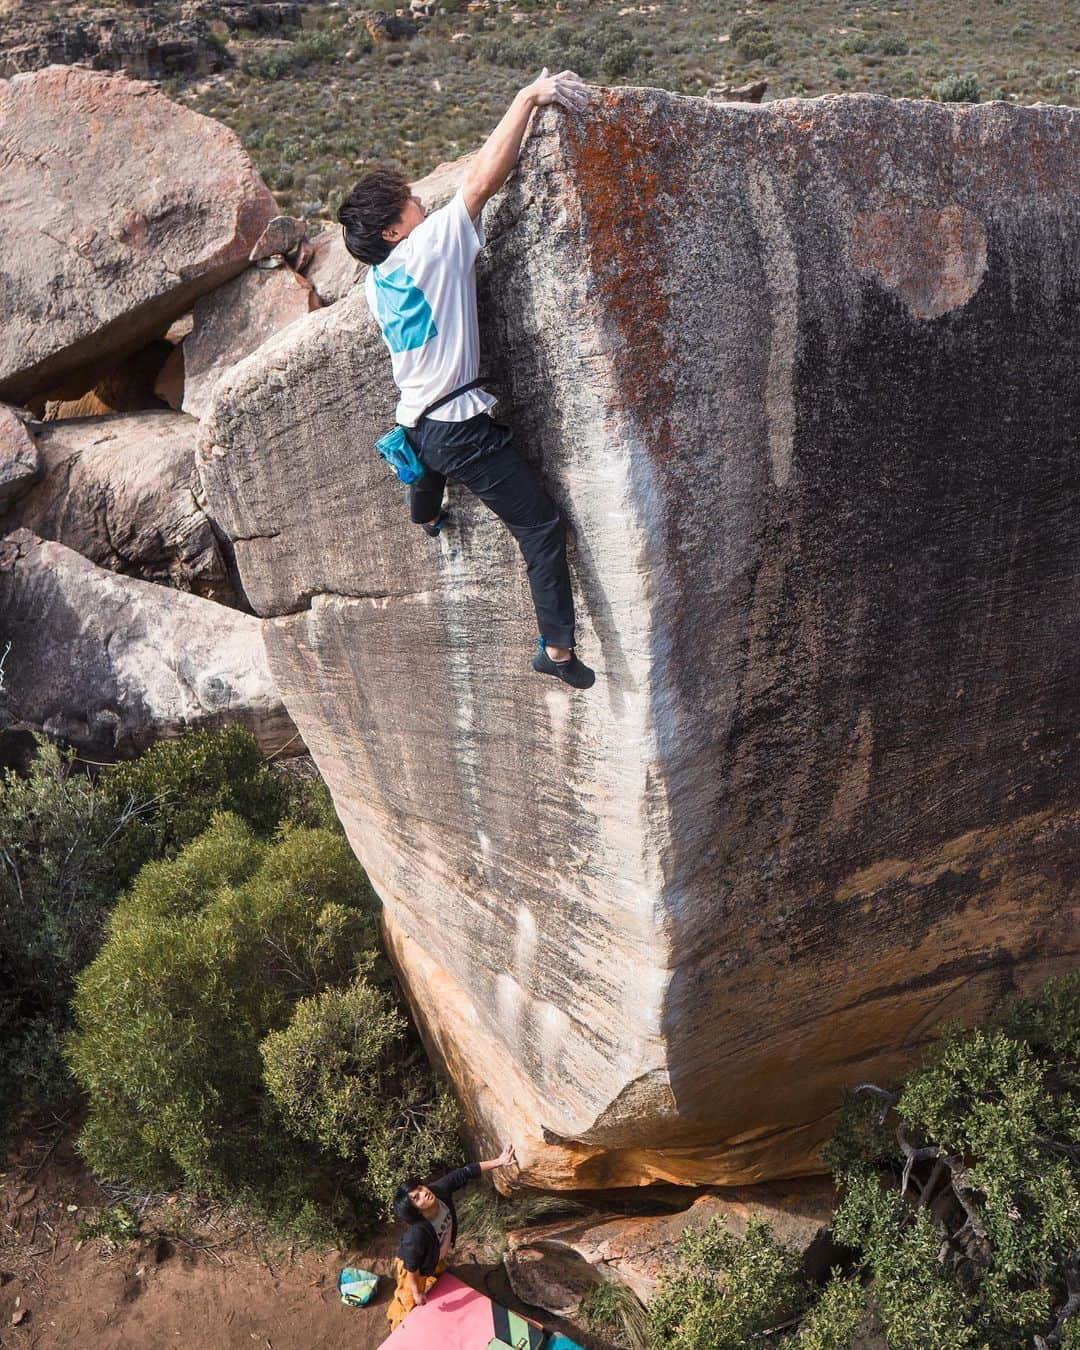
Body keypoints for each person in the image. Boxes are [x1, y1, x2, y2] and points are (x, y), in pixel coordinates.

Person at [338, 70, 596, 690]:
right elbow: (483, 180)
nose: (423, 203)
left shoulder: (377, 283)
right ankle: (556, 651)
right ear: (396, 231)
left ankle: (424, 514)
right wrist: (527, 97)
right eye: (411, 203)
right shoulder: (429, 248)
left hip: (418, 421)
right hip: (458, 426)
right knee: (538, 526)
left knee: (427, 470)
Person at [385, 1144, 516, 1329]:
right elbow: (412, 1268)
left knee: (436, 1273)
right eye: (417, 1197)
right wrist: (416, 1293)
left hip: (433, 1254)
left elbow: (465, 1172)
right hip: (413, 1267)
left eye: (421, 1188)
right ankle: (399, 1324)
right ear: (415, 1211)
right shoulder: (416, 1236)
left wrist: (499, 1162)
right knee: (408, 1299)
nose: (424, 1193)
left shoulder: (439, 1190)